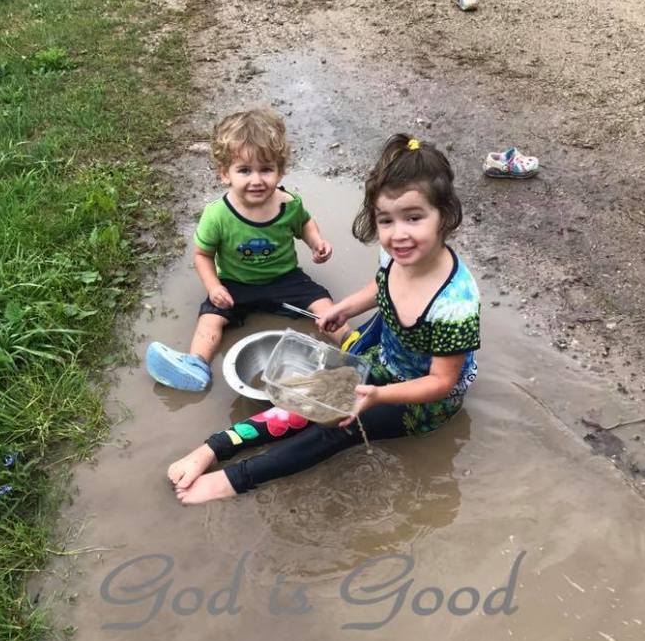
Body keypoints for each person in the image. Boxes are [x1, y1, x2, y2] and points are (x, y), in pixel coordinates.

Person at [167, 133, 480, 504]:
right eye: (386, 221)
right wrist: (344, 308)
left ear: (444, 214)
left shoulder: (455, 305)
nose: (399, 235)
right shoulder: (397, 254)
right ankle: (215, 447)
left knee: (336, 428)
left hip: (420, 402)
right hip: (381, 361)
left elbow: (442, 383)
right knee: (309, 394)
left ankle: (234, 479)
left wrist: (377, 396)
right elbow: (382, 285)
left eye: (414, 218)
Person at [146, 108, 349, 391]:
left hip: (286, 279)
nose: (256, 180)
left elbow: (305, 224)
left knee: (324, 305)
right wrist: (214, 286)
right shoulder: (217, 215)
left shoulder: (289, 204)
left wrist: (317, 242)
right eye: (244, 170)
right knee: (210, 319)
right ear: (224, 174)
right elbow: (202, 255)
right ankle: (195, 365)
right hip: (235, 284)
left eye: (266, 169)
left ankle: (356, 347)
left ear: (281, 170)